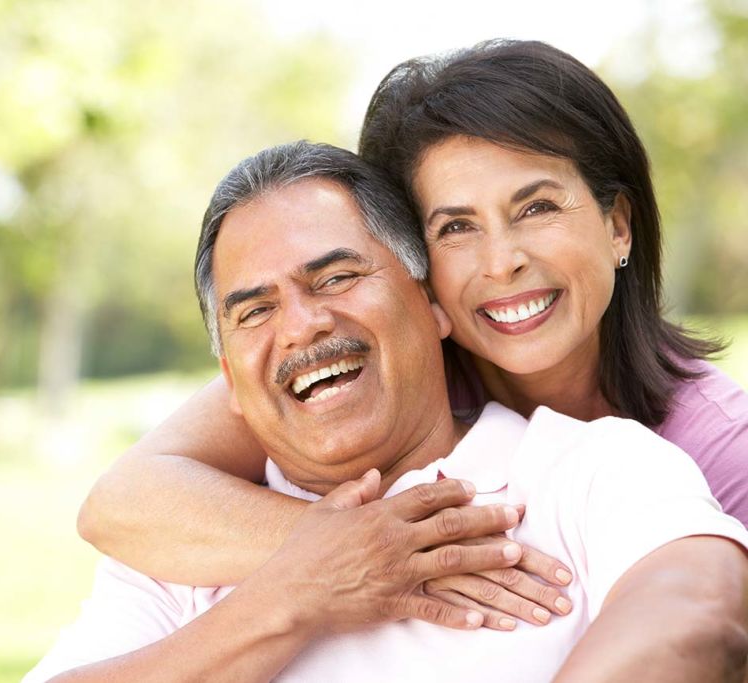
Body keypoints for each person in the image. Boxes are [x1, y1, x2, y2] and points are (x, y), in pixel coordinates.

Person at [76, 40, 748, 627]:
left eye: (536, 207)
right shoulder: (382, 363)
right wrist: (373, 549)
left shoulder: (715, 445)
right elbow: (123, 503)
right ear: (413, 268)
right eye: (455, 226)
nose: (502, 260)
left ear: (618, 225)